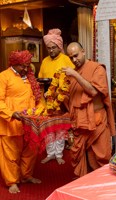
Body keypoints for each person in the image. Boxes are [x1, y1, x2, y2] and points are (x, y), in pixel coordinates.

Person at [62, 42, 116, 177]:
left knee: (101, 155)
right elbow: (71, 98)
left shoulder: (97, 69)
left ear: (84, 51)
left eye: (76, 55)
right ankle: (83, 185)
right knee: (80, 155)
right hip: (79, 122)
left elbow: (93, 91)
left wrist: (75, 75)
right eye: (71, 58)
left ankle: (100, 188)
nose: (74, 60)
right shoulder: (72, 73)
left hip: (96, 120)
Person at [0, 50, 42, 194]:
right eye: (22, 66)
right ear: (14, 64)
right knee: (11, 155)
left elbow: (37, 98)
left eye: (27, 65)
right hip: (11, 124)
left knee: (31, 152)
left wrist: (41, 110)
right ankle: (12, 181)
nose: (26, 69)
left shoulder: (29, 76)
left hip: (30, 123)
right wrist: (11, 113)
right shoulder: (4, 76)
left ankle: (26, 176)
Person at [38, 28, 74, 165]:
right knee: (49, 128)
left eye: (54, 47)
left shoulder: (66, 60)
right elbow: (41, 79)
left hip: (61, 100)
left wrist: (60, 92)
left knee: (59, 128)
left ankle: (58, 153)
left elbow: (72, 80)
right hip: (47, 99)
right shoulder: (45, 61)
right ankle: (50, 153)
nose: (51, 50)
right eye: (49, 48)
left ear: (59, 46)